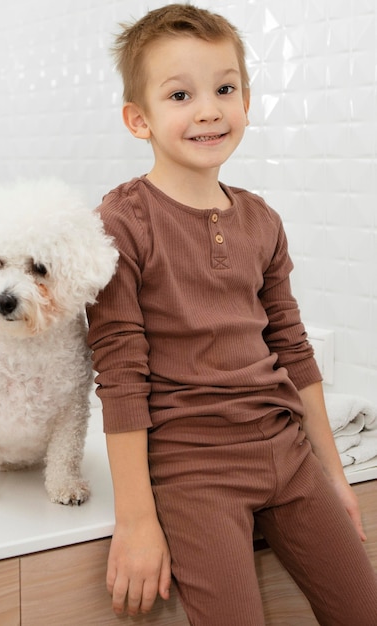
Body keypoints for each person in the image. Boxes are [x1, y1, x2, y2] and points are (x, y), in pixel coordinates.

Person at [86, 5, 377, 625]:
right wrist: (136, 521)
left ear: (246, 97)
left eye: (224, 88)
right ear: (139, 119)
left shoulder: (261, 219)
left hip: (286, 452)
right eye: (180, 94)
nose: (209, 109)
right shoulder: (121, 222)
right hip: (194, 471)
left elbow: (293, 349)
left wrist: (333, 473)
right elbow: (120, 373)